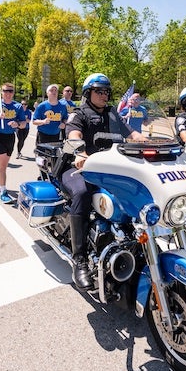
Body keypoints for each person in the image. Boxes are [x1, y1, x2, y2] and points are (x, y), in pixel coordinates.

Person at [62, 73, 146, 289]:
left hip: (109, 167)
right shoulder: (79, 114)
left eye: (106, 91)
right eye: (99, 91)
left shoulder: (112, 113)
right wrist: (80, 153)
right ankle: (79, 259)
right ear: (88, 93)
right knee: (82, 194)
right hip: (79, 167)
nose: (104, 95)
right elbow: (73, 135)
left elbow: (131, 134)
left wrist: (145, 140)